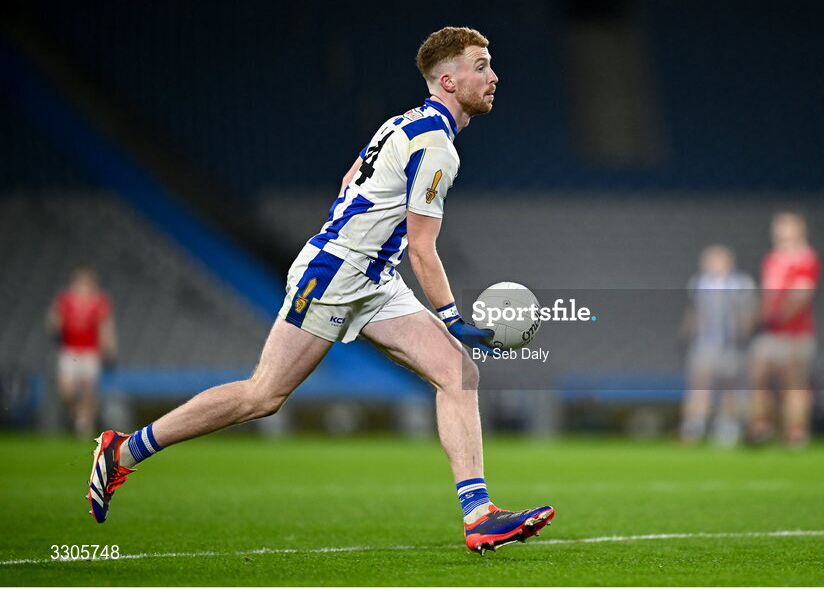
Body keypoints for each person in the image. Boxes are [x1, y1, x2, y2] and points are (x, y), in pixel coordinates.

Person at [86, 27, 554, 554]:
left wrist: (366, 239)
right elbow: (423, 249)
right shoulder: (437, 146)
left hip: (372, 277)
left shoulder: (406, 123)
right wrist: (450, 317)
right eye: (481, 65)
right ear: (448, 79)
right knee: (263, 395)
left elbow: (350, 176)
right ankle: (122, 451)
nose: (494, 76)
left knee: (459, 372)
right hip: (335, 273)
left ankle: (479, 514)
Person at [748, 212, 820, 447]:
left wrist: (777, 317)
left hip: (795, 333)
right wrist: (757, 319)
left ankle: (796, 432)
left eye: (786, 227)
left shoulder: (805, 258)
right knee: (758, 376)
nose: (780, 231)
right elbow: (767, 294)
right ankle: (761, 426)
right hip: (771, 333)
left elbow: (801, 294)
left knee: (794, 382)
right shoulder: (773, 258)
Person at [678, 245, 756, 446]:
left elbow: (748, 313)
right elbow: (695, 312)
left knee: (730, 386)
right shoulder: (700, 283)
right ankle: (694, 426)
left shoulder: (740, 283)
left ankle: (727, 426)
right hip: (705, 342)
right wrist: (686, 334)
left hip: (731, 345)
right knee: (699, 384)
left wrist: (744, 335)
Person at [48, 266, 117, 438]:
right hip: (70, 350)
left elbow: (105, 326)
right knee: (66, 390)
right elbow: (54, 321)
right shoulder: (65, 300)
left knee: (89, 390)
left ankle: (85, 426)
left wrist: (109, 348)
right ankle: (77, 412)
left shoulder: (99, 301)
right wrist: (55, 323)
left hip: (90, 352)